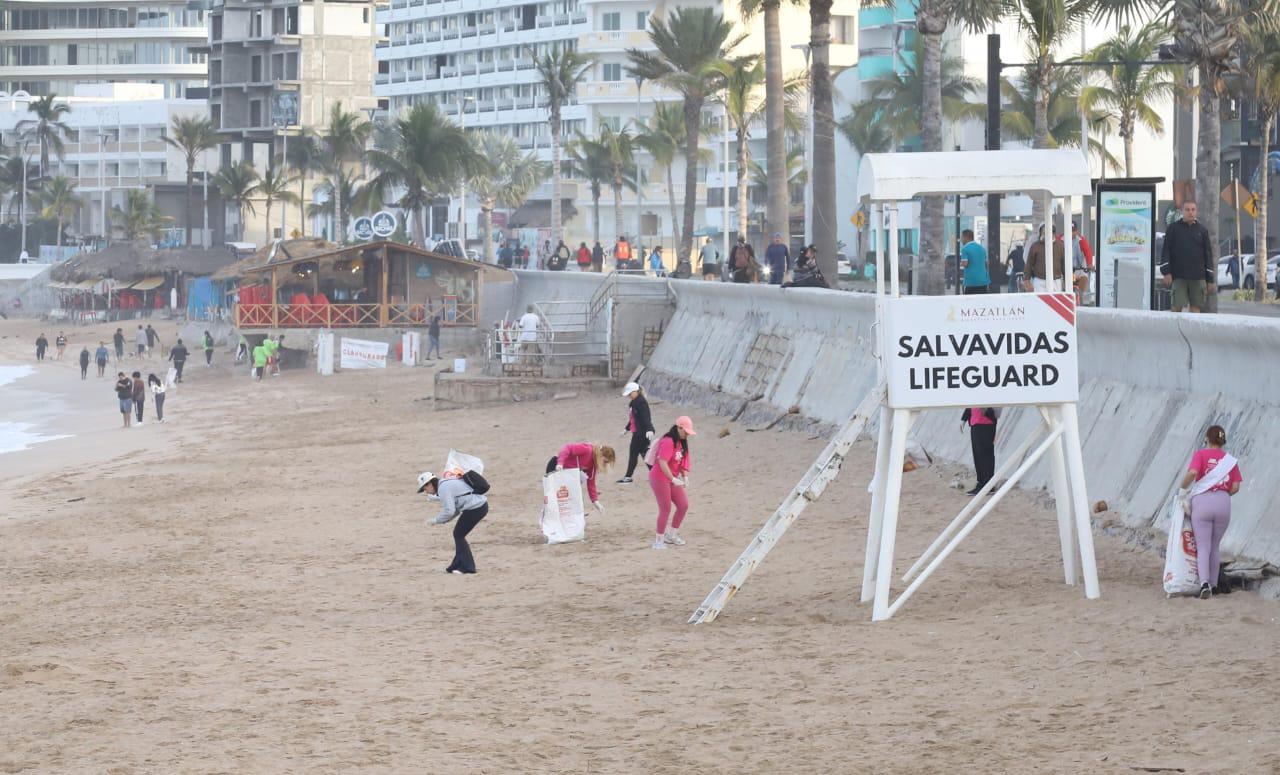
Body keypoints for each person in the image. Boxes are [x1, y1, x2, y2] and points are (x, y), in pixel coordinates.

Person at [1179, 425, 1242, 598]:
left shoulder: (1201, 455)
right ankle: (1214, 585)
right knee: (1215, 546)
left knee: (1203, 546)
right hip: (1223, 503)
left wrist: (1182, 489)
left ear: (1207, 438)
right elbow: (1235, 486)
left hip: (1203, 502)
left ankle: (1204, 583)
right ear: (1223, 441)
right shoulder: (1231, 460)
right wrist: (1222, 494)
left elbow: (1193, 473)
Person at [418, 470, 489, 575]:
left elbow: (449, 511)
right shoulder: (444, 485)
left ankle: (468, 567)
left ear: (430, 483)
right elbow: (455, 510)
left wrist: (437, 520)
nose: (426, 491)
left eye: (425, 488)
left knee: (458, 535)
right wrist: (443, 520)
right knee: (458, 534)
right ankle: (456, 565)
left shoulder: (443, 488)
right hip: (479, 506)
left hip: (476, 507)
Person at [1160, 200, 1215, 313]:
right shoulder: (1173, 229)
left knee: (1195, 309)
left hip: (1198, 278)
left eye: (1193, 210)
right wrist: (1166, 272)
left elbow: (1208, 255)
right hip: (1178, 276)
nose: (1190, 212)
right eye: (1187, 209)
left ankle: (1193, 331)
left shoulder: (1202, 231)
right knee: (1176, 308)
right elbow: (1166, 251)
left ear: (1196, 211)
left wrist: (1210, 279)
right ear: (1182, 211)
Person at [650, 416, 695, 549]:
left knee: (683, 505)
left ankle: (672, 534)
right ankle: (659, 540)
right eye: (685, 431)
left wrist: (684, 476)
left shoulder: (681, 442)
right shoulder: (668, 441)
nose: (687, 434)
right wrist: (672, 479)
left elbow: (680, 461)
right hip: (659, 477)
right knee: (665, 508)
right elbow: (662, 462)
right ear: (679, 427)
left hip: (671, 477)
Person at [548, 442, 615, 513]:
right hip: (555, 467)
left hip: (567, 475)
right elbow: (568, 448)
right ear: (601, 455)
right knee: (558, 496)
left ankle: (575, 513)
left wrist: (596, 502)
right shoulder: (588, 450)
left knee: (571, 494)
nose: (604, 464)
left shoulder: (593, 466)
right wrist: (560, 463)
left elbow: (591, 483)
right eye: (605, 461)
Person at [617, 381, 654, 483]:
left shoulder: (641, 402)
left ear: (636, 391)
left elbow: (646, 417)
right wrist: (626, 429)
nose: (629, 395)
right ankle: (656, 474)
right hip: (637, 432)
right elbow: (633, 419)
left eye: (630, 393)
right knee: (646, 455)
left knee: (636, 454)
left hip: (642, 433)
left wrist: (649, 429)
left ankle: (628, 476)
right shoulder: (633, 403)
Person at [961, 407, 998, 496]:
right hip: (975, 423)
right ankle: (981, 483)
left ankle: (989, 485)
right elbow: (971, 401)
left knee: (985, 454)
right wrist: (964, 419)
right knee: (977, 455)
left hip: (986, 423)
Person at [1023, 224, 1066, 292]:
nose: (1046, 234)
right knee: (1038, 302)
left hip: (1056, 281)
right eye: (1044, 232)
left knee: (1055, 302)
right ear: (1040, 233)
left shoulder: (1060, 246)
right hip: (1039, 281)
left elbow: (1064, 265)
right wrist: (1026, 280)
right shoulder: (1035, 246)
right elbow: (1029, 264)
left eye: (1049, 232)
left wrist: (1068, 281)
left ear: (1053, 233)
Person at [959, 229, 990, 294]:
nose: (961, 240)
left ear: (966, 237)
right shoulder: (982, 248)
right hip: (983, 281)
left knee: (969, 302)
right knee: (981, 302)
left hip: (971, 282)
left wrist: (961, 263)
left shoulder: (965, 249)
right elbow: (986, 263)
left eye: (962, 237)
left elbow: (965, 264)